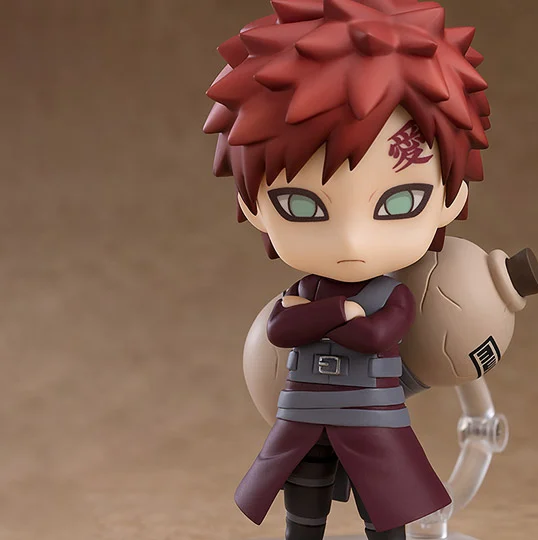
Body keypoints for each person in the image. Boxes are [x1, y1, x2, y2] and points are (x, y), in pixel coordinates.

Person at [203, 1, 491, 538]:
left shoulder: (388, 295)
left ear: (451, 198)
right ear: (252, 206)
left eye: (399, 202)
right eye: (303, 206)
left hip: (374, 423)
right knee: (303, 512)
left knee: (386, 511)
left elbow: (378, 335)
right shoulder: (309, 288)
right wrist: (342, 313)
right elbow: (281, 329)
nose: (353, 241)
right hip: (303, 423)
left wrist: (321, 317)